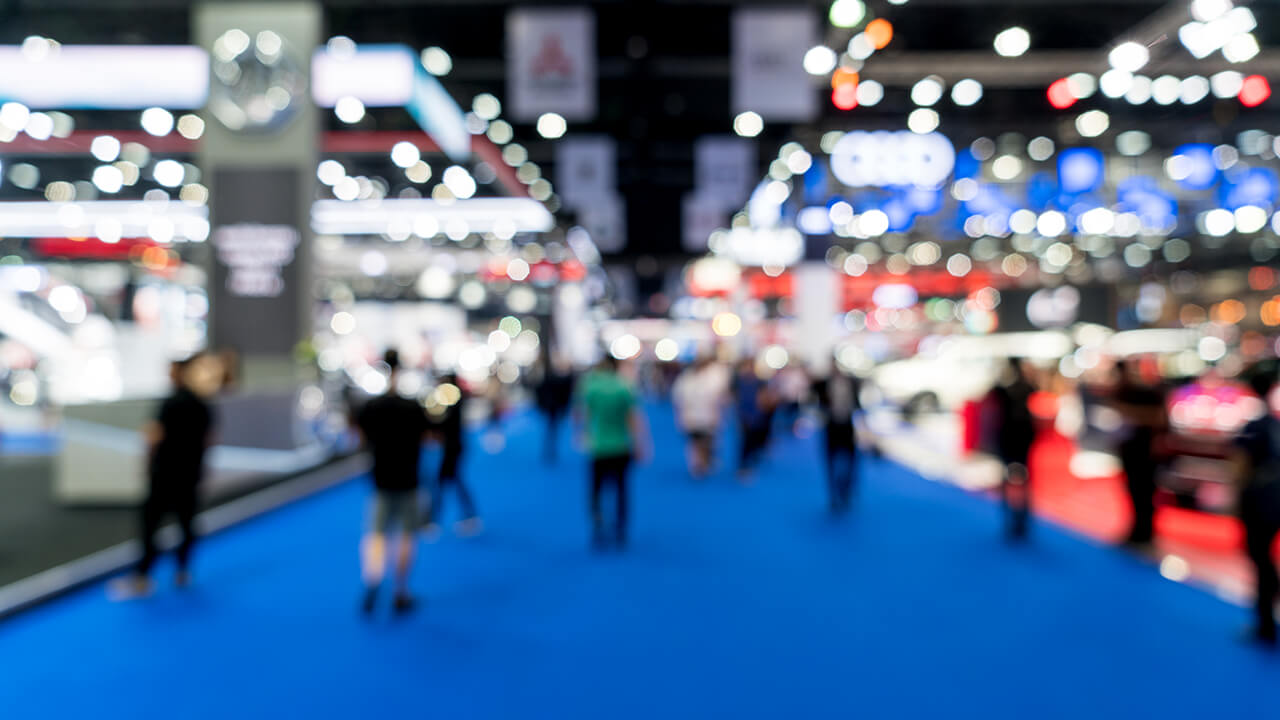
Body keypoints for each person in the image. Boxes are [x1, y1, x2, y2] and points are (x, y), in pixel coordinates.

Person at [110, 354, 218, 599]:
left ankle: (143, 578)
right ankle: (183, 571)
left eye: (171, 371)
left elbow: (153, 437)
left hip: (166, 474)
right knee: (187, 523)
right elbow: (209, 440)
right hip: (190, 474)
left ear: (180, 373)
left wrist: (147, 464)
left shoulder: (170, 404)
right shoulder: (202, 404)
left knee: (150, 525)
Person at [354, 349, 431, 615]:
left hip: (381, 479)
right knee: (407, 535)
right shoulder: (413, 407)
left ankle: (373, 578)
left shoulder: (371, 407)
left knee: (376, 533)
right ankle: (400, 591)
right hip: (408, 478)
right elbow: (428, 436)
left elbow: (359, 437)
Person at [1230, 365, 1280, 646]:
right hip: (1274, 499)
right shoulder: (1274, 424)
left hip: (1260, 501)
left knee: (1259, 557)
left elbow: (1241, 466)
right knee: (1263, 558)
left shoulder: (1254, 426)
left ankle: (1265, 625)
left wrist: (1238, 499)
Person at [577, 354, 649, 549]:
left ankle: (598, 523)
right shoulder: (624, 386)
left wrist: (582, 434)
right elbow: (634, 418)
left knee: (596, 490)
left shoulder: (591, 386)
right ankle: (620, 528)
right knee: (621, 489)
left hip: (598, 447)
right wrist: (641, 443)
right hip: (621, 446)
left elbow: (582, 414)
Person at [1111, 358, 1167, 548]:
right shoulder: (1123, 391)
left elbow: (1158, 418)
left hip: (1144, 451)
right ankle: (1139, 530)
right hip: (1131, 450)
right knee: (1135, 491)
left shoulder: (1146, 392)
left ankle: (1145, 532)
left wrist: (1129, 413)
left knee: (1144, 492)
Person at [424, 372, 482, 538]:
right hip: (453, 448)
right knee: (451, 482)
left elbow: (442, 423)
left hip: (453, 449)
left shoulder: (452, 401)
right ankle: (438, 519)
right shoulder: (453, 401)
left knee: (448, 482)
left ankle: (434, 520)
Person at [990, 358, 1037, 539]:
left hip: (1013, 436)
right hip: (1015, 436)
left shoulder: (1008, 389)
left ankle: (1017, 517)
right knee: (1019, 478)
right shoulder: (1022, 388)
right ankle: (1017, 517)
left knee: (1014, 478)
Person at [813, 365, 861, 514]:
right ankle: (833, 495)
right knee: (830, 462)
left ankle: (846, 490)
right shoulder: (823, 383)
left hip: (847, 427)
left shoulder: (853, 382)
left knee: (851, 462)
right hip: (831, 428)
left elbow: (858, 404)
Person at [672, 355, 729, 479]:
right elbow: (678, 399)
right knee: (695, 442)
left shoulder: (712, 378)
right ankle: (697, 465)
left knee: (705, 441)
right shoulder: (685, 379)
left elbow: (718, 399)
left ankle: (703, 462)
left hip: (706, 417)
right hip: (692, 417)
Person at [733, 359, 773, 481]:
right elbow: (733, 396)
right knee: (744, 439)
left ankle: (752, 458)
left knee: (754, 438)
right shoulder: (738, 381)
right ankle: (743, 464)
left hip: (757, 415)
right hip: (743, 415)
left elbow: (765, 397)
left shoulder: (760, 382)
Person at [536, 355, 575, 464]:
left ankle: (550, 448)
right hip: (552, 407)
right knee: (552, 428)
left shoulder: (558, 379)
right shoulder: (554, 379)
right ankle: (550, 448)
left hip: (554, 407)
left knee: (552, 428)